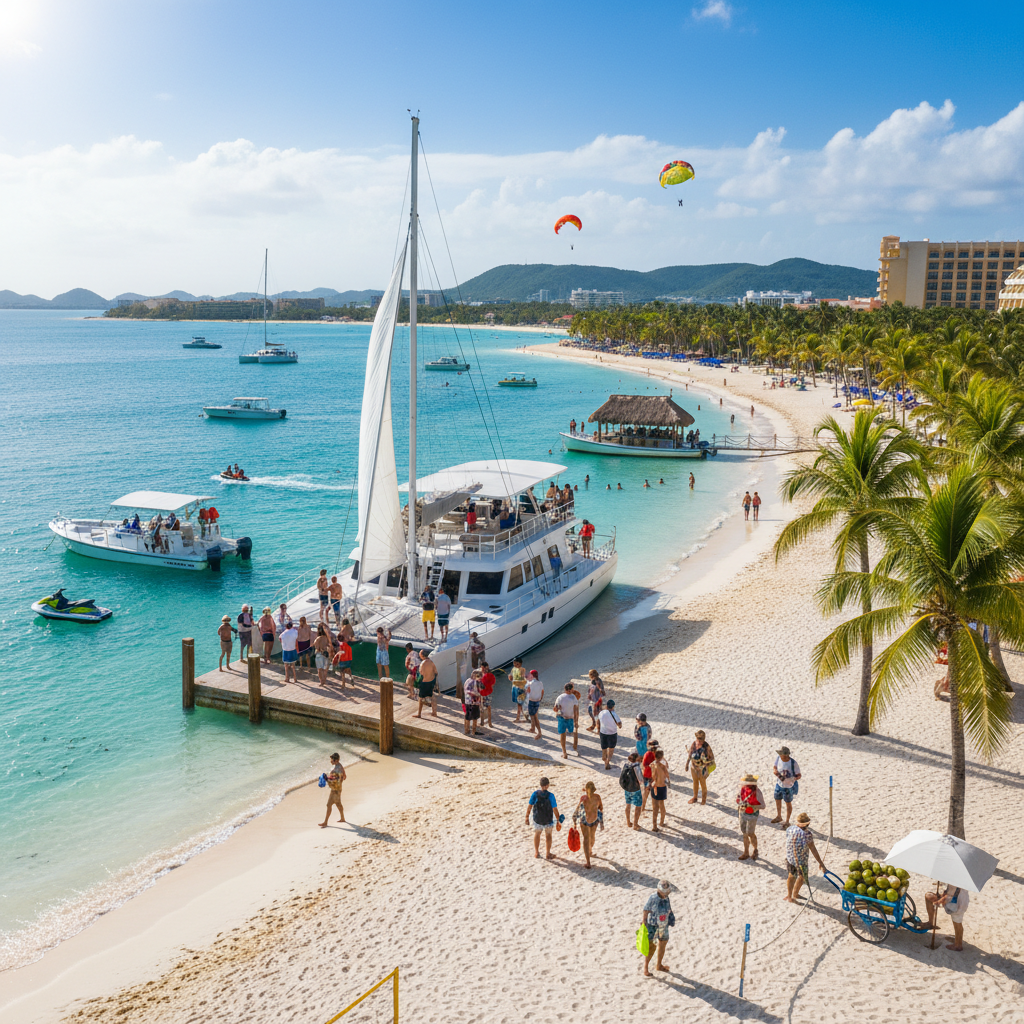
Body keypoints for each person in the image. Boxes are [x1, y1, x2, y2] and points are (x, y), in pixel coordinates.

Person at [784, 812, 826, 903]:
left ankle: (789, 895)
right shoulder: (807, 834)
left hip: (790, 858)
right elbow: (813, 849)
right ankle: (795, 893)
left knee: (791, 876)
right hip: (801, 860)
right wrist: (821, 863)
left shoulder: (790, 829)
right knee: (801, 877)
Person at [642, 881, 674, 976]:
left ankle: (659, 965)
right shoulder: (653, 898)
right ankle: (645, 968)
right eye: (665, 892)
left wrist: (671, 917)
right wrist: (644, 921)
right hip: (653, 925)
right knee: (652, 947)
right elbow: (646, 909)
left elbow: (668, 908)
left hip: (664, 925)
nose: (666, 894)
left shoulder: (666, 898)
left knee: (663, 944)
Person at [924, 884, 969, 951]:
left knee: (957, 923)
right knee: (928, 896)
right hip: (958, 899)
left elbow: (951, 895)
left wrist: (939, 901)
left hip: (957, 902)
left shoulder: (956, 881)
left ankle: (958, 945)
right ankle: (930, 923)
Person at [526, 777, 561, 859]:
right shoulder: (551, 796)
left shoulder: (535, 794)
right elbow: (555, 809)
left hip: (537, 819)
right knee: (548, 835)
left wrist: (527, 817)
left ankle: (536, 852)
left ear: (540, 785)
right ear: (548, 785)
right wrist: (558, 819)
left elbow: (530, 806)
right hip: (548, 820)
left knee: (537, 834)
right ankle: (548, 853)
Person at [573, 781, 603, 869]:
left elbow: (578, 809)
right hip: (594, 820)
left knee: (586, 840)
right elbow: (601, 808)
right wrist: (601, 822)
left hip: (585, 820)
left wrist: (574, 819)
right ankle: (590, 851)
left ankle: (588, 862)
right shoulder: (597, 797)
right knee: (592, 838)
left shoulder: (583, 798)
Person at [736, 772, 765, 861]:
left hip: (752, 815)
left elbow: (763, 806)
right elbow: (738, 799)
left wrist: (752, 807)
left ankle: (755, 849)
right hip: (742, 813)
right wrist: (740, 802)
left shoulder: (757, 792)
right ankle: (746, 852)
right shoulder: (742, 789)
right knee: (744, 833)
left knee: (750, 833)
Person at [771, 745, 801, 825]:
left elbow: (799, 775)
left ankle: (787, 821)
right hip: (779, 784)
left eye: (781, 754)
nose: (780, 756)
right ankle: (779, 816)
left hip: (788, 787)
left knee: (788, 802)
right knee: (777, 799)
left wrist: (793, 779)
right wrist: (775, 772)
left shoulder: (793, 763)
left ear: (786, 755)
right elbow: (774, 767)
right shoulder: (778, 758)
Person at [685, 730, 714, 805]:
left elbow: (711, 758)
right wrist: (687, 764)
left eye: (702, 739)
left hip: (702, 768)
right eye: (700, 739)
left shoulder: (706, 746)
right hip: (693, 767)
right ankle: (695, 797)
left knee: (702, 783)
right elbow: (690, 753)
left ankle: (703, 799)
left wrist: (705, 760)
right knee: (695, 782)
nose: (701, 741)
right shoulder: (694, 743)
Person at [319, 753, 346, 828]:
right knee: (338, 804)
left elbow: (335, 781)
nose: (331, 761)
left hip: (335, 790)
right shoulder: (341, 767)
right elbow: (344, 776)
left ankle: (325, 822)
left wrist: (326, 779)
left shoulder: (336, 770)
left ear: (336, 760)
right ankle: (342, 818)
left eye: (332, 760)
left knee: (329, 805)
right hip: (339, 789)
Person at [554, 682, 578, 759]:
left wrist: (556, 708)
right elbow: (576, 709)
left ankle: (564, 752)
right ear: (571, 689)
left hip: (561, 716)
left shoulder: (560, 697)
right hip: (570, 717)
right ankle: (572, 747)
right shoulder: (573, 697)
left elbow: (555, 709)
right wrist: (576, 721)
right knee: (571, 732)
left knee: (563, 734)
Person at [621, 752, 645, 829]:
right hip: (635, 789)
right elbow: (640, 780)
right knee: (638, 806)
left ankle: (628, 822)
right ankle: (635, 824)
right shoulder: (636, 766)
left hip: (627, 788)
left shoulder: (626, 764)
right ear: (636, 758)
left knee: (628, 805)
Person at [598, 698, 622, 770]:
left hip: (603, 732)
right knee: (611, 749)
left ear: (606, 706)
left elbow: (598, 721)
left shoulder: (601, 713)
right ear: (613, 706)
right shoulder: (614, 714)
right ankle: (607, 762)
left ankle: (604, 758)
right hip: (612, 733)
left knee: (604, 748)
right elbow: (620, 726)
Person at [650, 748, 670, 831]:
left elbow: (652, 776)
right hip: (661, 787)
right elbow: (667, 777)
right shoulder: (663, 766)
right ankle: (661, 822)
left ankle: (654, 826)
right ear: (661, 757)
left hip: (654, 786)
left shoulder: (652, 765)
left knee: (655, 807)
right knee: (661, 806)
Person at [415, 649, 438, 718]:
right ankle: (434, 712)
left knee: (421, 698)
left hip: (425, 682)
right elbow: (436, 672)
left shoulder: (423, 664)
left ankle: (419, 714)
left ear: (422, 655)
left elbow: (421, 674)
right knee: (432, 696)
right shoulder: (431, 662)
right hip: (431, 681)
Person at [524, 669, 545, 739]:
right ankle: (532, 728)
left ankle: (539, 732)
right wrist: (540, 699)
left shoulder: (530, 683)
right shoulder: (540, 683)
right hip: (537, 701)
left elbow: (527, 691)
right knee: (533, 715)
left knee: (534, 717)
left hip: (531, 701)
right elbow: (542, 692)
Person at [313, 623, 334, 687]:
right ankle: (324, 679)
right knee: (325, 669)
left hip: (319, 654)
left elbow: (316, 646)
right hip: (326, 654)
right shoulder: (327, 638)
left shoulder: (318, 638)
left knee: (319, 669)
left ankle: (321, 681)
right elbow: (329, 645)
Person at [463, 670, 482, 736]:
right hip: (474, 703)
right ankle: (473, 732)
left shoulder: (467, 680)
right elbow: (471, 692)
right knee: (475, 718)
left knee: (467, 717)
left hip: (467, 702)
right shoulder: (475, 682)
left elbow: (465, 690)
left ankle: (466, 731)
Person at [280, 620, 299, 684]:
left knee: (286, 665)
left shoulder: (283, 633)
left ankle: (287, 678)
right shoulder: (295, 631)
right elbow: (296, 639)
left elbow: (280, 638)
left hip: (285, 649)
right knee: (293, 666)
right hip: (292, 649)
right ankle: (295, 678)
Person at [479, 660, 496, 729]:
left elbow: (493, 683)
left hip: (488, 693)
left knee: (488, 707)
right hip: (481, 693)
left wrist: (486, 685)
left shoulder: (490, 675)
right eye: (481, 668)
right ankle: (482, 721)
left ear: (486, 667)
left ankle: (489, 722)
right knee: (481, 707)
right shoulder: (479, 674)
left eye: (483, 668)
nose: (482, 670)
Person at [508, 657, 526, 722]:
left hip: (520, 688)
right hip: (515, 687)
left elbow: (522, 680)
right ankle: (524, 716)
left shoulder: (522, 670)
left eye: (517, 664)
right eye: (514, 664)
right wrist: (510, 678)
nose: (515, 665)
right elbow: (512, 677)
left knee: (519, 703)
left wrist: (513, 680)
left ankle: (518, 717)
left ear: (520, 664)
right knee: (519, 703)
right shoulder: (513, 669)